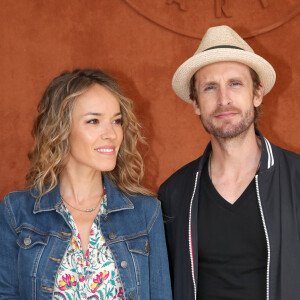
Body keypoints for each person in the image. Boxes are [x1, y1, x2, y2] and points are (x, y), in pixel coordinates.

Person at [0, 69, 172, 300]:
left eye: (116, 121)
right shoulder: (17, 211)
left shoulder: (146, 212)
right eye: (94, 121)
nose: (111, 134)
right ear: (61, 128)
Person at [158, 25, 300, 300]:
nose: (224, 100)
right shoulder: (174, 193)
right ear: (196, 103)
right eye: (210, 87)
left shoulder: (297, 179)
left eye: (235, 83)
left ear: (257, 94)